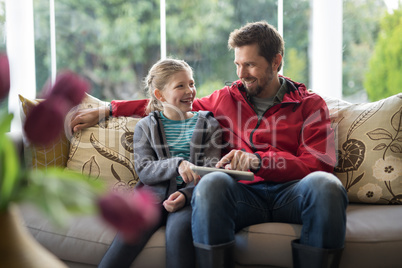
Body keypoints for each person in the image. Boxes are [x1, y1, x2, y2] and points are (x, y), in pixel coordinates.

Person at [72, 21, 348, 268]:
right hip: (241, 195)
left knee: (327, 186)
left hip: (292, 193)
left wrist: (260, 161)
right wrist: (108, 109)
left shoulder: (310, 104)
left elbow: (319, 164)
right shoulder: (223, 99)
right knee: (212, 183)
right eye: (238, 64)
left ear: (276, 62)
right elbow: (168, 103)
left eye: (250, 64)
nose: (242, 73)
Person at [98, 58, 221, 268]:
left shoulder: (209, 124)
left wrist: (185, 195)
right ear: (159, 94)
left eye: (191, 83)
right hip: (150, 201)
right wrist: (177, 164)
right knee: (118, 252)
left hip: (189, 201)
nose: (190, 90)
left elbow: (211, 170)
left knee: (178, 235)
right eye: (180, 86)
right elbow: (145, 170)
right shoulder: (145, 126)